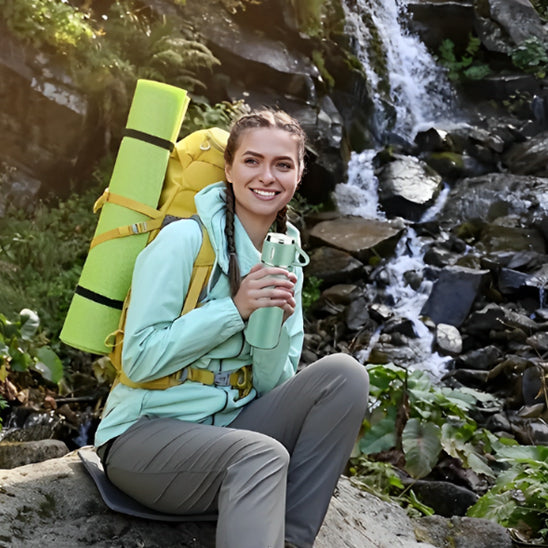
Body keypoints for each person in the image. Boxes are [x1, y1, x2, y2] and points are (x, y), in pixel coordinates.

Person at [94, 108, 370, 548]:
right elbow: (139, 360)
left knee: (346, 376)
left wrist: (272, 326)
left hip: (230, 428)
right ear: (229, 168)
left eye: (283, 165)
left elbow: (271, 384)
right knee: (261, 455)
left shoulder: (284, 256)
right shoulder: (184, 241)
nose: (267, 176)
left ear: (299, 175)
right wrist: (235, 309)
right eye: (252, 161)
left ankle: (287, 540)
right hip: (143, 437)